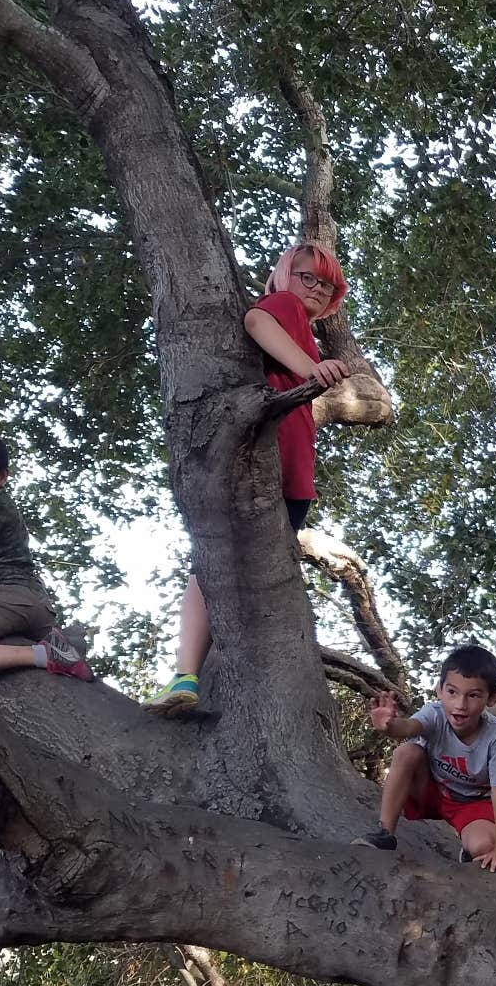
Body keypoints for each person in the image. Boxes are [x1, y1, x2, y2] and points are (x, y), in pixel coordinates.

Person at [145, 242, 351, 715]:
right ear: (284, 276)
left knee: (224, 569)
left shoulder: (302, 322)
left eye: (327, 284)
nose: (316, 289)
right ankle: (186, 673)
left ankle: (192, 673)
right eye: (307, 276)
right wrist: (311, 370)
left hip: (292, 478)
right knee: (213, 566)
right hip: (275, 472)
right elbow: (257, 321)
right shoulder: (285, 305)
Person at [0, 431, 93, 682]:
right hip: (34, 604)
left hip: (7, 597)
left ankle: (44, 654)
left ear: (2, 476)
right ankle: (64, 641)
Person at [354, 644, 496, 871]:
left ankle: (468, 850)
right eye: (452, 692)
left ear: (492, 698)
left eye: (473, 695)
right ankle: (384, 833)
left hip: (470, 805)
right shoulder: (435, 714)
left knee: (484, 846)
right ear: (439, 690)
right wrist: (390, 726)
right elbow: (409, 728)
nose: (460, 704)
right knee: (407, 751)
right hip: (430, 791)